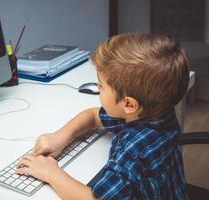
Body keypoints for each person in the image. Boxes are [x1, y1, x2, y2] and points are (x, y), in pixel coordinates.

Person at [17, 33, 190, 200]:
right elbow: (93, 116)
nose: (98, 89)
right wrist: (61, 136)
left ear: (129, 104)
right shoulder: (156, 112)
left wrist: (51, 173)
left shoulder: (132, 150)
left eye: (101, 85)